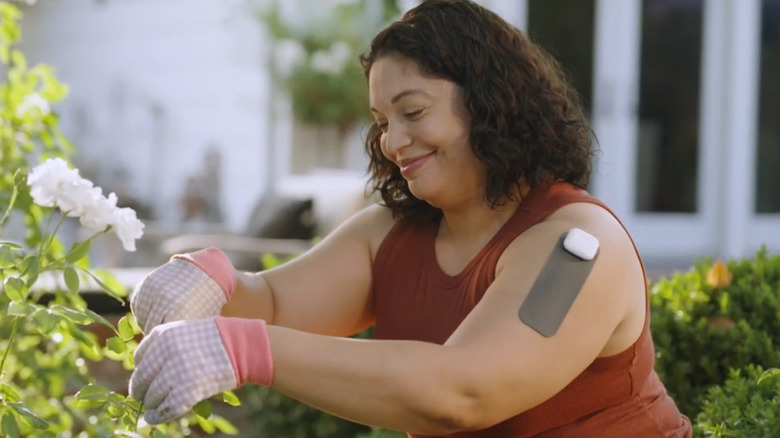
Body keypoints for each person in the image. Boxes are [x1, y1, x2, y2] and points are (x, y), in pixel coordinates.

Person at [128, 1, 693, 436]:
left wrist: (244, 349)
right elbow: (274, 305)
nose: (393, 141)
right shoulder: (391, 233)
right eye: (381, 120)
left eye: (413, 112)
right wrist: (210, 279)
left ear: (492, 102)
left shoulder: (577, 248)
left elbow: (465, 392)